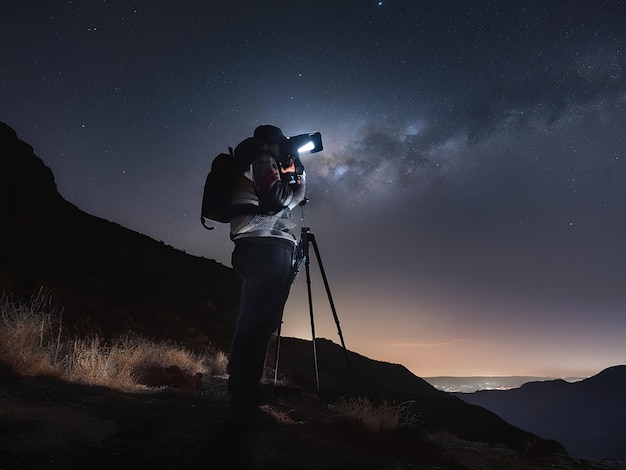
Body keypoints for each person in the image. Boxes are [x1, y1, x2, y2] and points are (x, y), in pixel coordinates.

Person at [226, 124, 306, 423]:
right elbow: (278, 199)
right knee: (260, 323)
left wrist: (285, 174)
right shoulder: (262, 159)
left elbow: (267, 194)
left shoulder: (250, 160)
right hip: (267, 245)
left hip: (251, 245)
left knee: (250, 320)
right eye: (282, 144)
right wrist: (298, 185)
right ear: (272, 143)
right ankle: (244, 400)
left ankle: (239, 389)